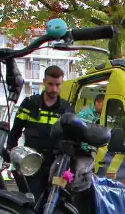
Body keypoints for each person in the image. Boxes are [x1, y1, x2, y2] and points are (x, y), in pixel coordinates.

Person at [6, 64, 74, 201]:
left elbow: (72, 139)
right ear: (44, 82)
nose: (54, 89)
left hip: (56, 166)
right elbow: (15, 132)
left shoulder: (67, 109)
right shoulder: (29, 104)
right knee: (31, 202)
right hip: (31, 164)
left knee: (53, 206)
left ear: (62, 84)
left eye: (58, 85)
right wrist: (11, 159)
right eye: (50, 84)